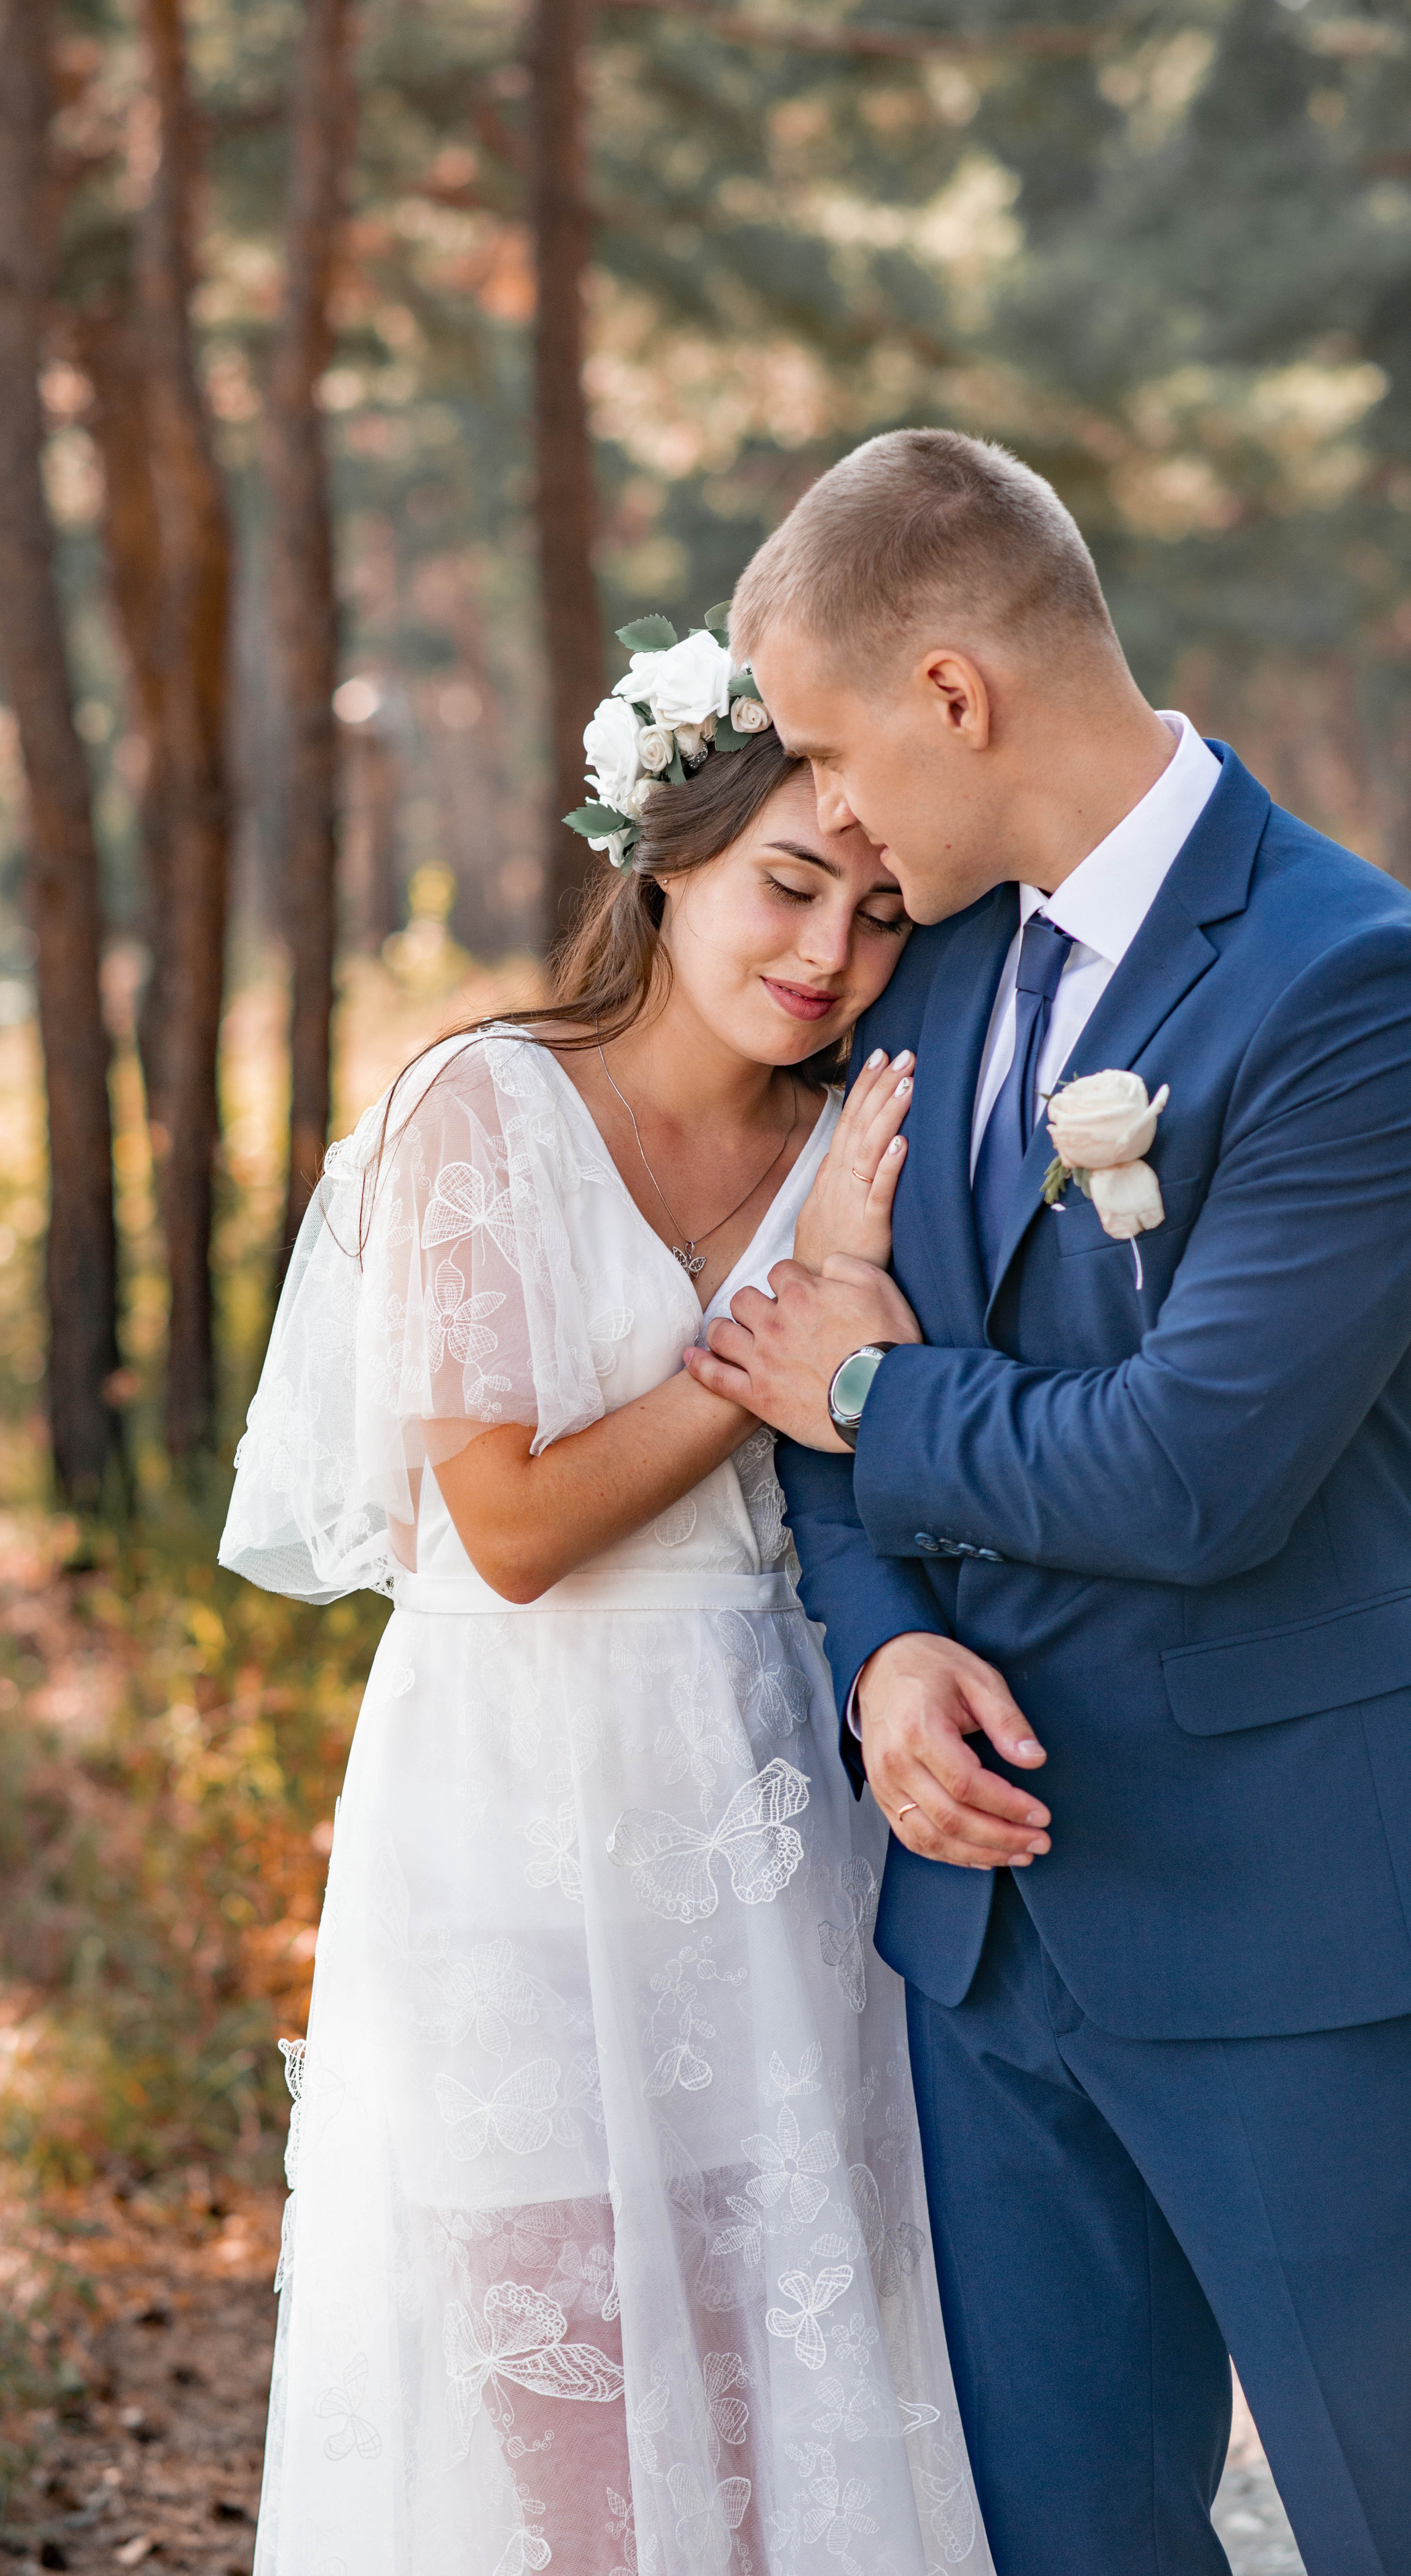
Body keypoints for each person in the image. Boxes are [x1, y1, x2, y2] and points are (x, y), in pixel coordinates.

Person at [686, 427, 1411, 2576]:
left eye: (832, 744)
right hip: (986, 1945)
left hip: (1280, 1925)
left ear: (952, 696)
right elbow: (834, 1380)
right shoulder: (945, 970)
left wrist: (870, 1393)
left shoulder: (1343, 981)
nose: (829, 810)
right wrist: (884, 1638)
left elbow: (1194, 1468)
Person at [220, 618, 995, 2576]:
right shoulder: (477, 1112)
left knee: (776, 2403)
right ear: (664, 858)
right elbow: (508, 1523)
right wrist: (781, 1328)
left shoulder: (854, 1141)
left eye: (880, 915)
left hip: (763, 1819)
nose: (825, 954)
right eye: (789, 885)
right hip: (508, 1821)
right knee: (564, 2441)